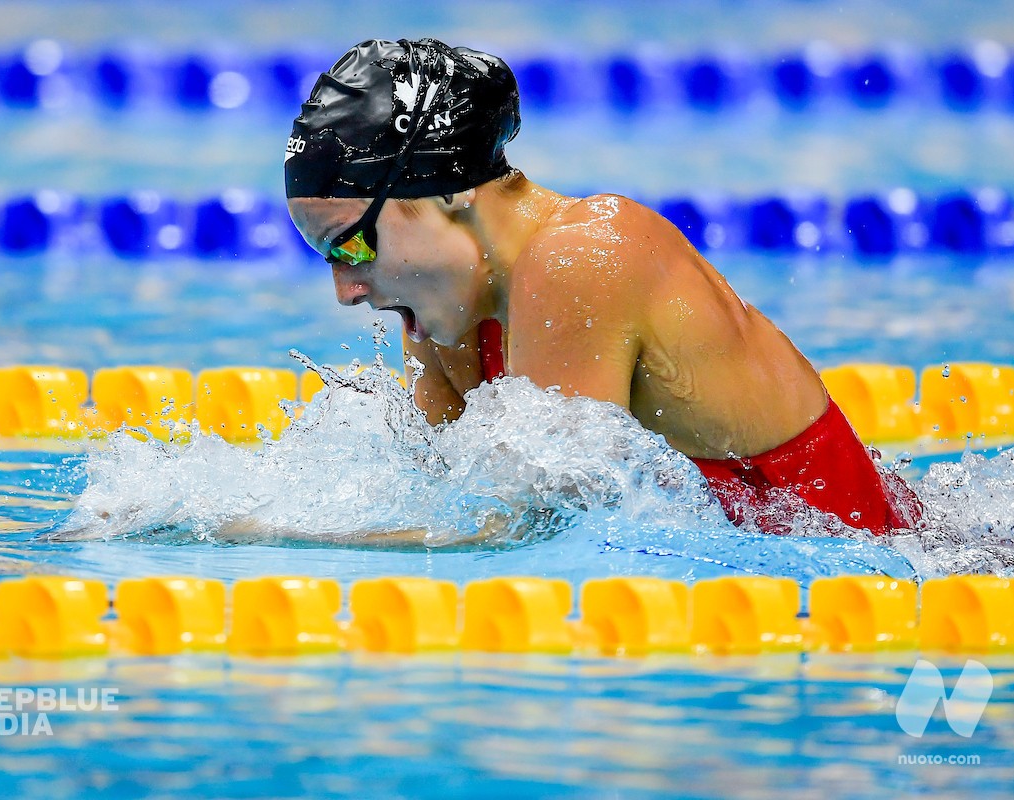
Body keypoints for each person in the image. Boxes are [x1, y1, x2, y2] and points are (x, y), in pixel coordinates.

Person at [285, 38, 922, 536]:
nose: (347, 290)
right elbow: (449, 509)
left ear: (448, 191)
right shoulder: (444, 320)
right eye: (326, 257)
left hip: (878, 589)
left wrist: (260, 536)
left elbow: (527, 528)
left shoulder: (584, 254)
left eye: (353, 243)